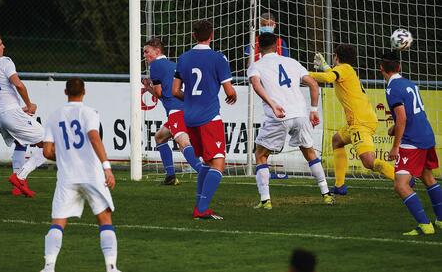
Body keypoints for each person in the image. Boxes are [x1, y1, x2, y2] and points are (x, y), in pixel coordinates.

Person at [40, 78, 121, 272]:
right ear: (84, 91)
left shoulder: (54, 115)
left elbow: (47, 152)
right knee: (104, 218)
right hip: (91, 175)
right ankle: (111, 267)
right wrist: (107, 167)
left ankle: (48, 266)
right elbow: (94, 137)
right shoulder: (89, 112)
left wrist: (65, 157)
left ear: (65, 92)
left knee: (58, 222)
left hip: (67, 176)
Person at [247, 33, 334, 209]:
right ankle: (326, 194)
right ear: (277, 46)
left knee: (261, 155)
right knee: (309, 152)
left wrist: (272, 104)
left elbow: (256, 85)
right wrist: (314, 110)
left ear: (258, 47)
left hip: (279, 115)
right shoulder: (292, 62)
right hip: (300, 114)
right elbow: (314, 84)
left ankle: (266, 201)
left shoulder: (255, 65)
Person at [172, 19, 237, 220]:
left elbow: (175, 91)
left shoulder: (183, 58)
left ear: (193, 35)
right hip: (209, 117)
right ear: (212, 35)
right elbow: (229, 91)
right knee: (218, 163)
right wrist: (232, 95)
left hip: (189, 116)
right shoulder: (219, 58)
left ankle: (200, 206)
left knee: (207, 163)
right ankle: (202, 209)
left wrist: (190, 98)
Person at [310, 45, 395, 194]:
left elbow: (328, 78)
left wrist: (302, 74)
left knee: (369, 162)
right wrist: (324, 66)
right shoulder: (347, 70)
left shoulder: (344, 69)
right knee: (337, 140)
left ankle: (402, 178)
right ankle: (339, 186)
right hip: (362, 119)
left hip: (360, 122)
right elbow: (332, 74)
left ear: (336, 57)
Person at [0, 33, 48, 197]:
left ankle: (18, 187)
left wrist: (17, 109)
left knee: (21, 142)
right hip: (9, 114)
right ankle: (20, 177)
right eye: (1, 44)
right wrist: (29, 105)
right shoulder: (4, 62)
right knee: (50, 143)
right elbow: (18, 85)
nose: (3, 46)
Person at [380, 52, 442, 235]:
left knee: (401, 185)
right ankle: (440, 219)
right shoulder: (410, 84)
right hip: (426, 135)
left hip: (412, 141)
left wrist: (395, 146)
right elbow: (411, 114)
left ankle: (425, 224)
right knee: (427, 177)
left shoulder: (392, 89)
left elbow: (402, 117)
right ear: (399, 67)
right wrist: (394, 127)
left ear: (381, 68)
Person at [142, 37, 202, 185]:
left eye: (146, 51)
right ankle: (170, 176)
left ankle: (204, 173)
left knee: (183, 143)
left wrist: (148, 87)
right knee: (160, 137)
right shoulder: (174, 65)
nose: (144, 55)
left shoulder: (155, 66)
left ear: (157, 51)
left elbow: (160, 93)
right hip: (187, 108)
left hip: (176, 111)